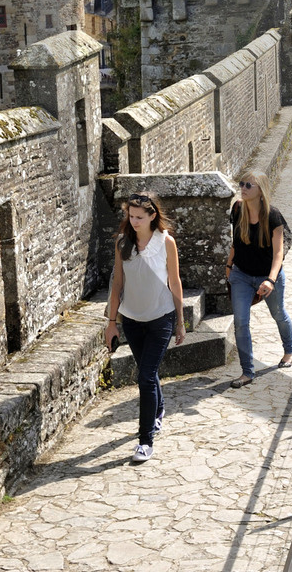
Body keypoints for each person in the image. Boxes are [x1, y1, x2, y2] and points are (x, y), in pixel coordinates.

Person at [105, 192, 186, 463]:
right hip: (132, 320)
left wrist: (180, 321)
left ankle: (145, 440)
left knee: (145, 377)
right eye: (130, 216)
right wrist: (111, 323)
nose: (134, 221)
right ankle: (159, 409)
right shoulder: (122, 243)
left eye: (140, 217)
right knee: (147, 374)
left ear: (153, 216)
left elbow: (175, 282)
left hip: (161, 318)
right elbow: (117, 284)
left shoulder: (166, 243)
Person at [226, 172, 292, 388]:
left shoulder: (273, 216)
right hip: (242, 275)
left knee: (278, 314)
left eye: (249, 185)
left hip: (268, 276)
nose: (243, 188)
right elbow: (235, 243)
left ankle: (289, 349)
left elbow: (278, 254)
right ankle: (247, 372)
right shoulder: (237, 209)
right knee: (240, 322)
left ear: (261, 190)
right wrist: (229, 266)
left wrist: (271, 281)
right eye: (241, 184)